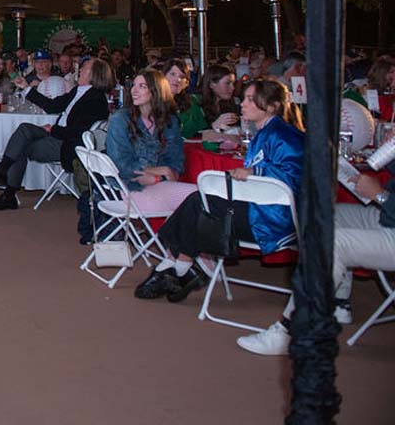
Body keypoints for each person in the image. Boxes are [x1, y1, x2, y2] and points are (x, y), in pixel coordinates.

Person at [135, 79, 304, 304]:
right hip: (258, 209)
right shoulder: (267, 132)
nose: (242, 103)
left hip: (272, 220)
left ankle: (176, 268)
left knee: (200, 204)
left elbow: (298, 175)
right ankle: (179, 268)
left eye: (250, 100)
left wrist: (257, 170)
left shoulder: (284, 136)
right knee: (198, 200)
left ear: (271, 106)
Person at [237, 169, 395, 355]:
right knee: (322, 216)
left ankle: (292, 332)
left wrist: (380, 195)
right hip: (387, 217)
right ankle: (338, 302)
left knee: (329, 245)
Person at [0, 57, 115, 211]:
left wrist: (52, 129)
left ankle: (6, 187)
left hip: (67, 144)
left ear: (95, 74)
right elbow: (52, 106)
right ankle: (3, 175)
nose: (80, 69)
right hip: (57, 135)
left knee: (21, 145)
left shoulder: (96, 99)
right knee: (24, 130)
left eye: (85, 67)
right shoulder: (78, 90)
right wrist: (26, 87)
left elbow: (78, 132)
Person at [103, 69, 190, 218]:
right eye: (134, 85)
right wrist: (162, 171)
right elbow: (121, 165)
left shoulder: (170, 121)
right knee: (195, 201)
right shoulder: (120, 119)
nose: (134, 91)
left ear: (156, 91)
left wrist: (159, 177)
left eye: (142, 86)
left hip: (160, 185)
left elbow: (176, 163)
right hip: (128, 188)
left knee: (201, 198)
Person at [162, 58, 207, 138]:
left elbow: (202, 132)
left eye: (182, 77)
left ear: (187, 83)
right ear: (162, 77)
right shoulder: (152, 103)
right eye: (172, 74)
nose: (177, 79)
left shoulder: (192, 102)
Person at [199, 64, 241, 137]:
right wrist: (214, 126)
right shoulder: (196, 105)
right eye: (227, 83)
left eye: (233, 83)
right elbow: (189, 135)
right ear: (212, 84)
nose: (233, 88)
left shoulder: (232, 104)